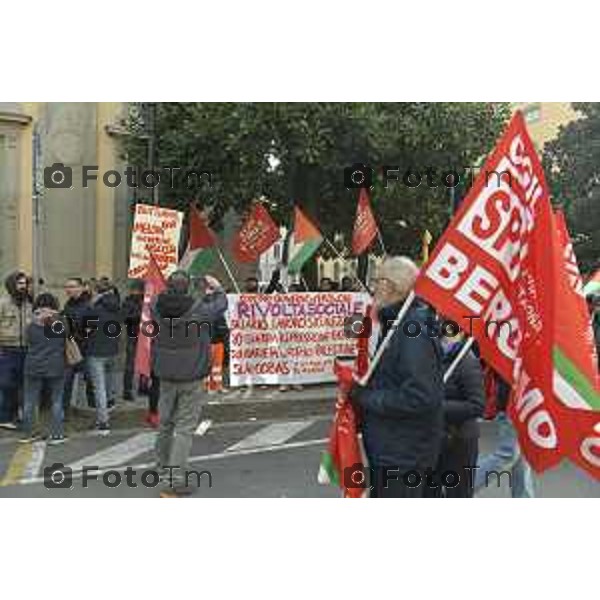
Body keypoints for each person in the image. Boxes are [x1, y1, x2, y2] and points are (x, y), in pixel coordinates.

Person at [349, 256, 444, 498]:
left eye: (377, 280)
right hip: (393, 449)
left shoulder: (412, 329)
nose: (374, 287)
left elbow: (420, 396)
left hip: (403, 455)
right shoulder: (398, 323)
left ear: (393, 286)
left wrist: (366, 398)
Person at [152, 271, 227, 497]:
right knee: (184, 428)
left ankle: (162, 468)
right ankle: (175, 480)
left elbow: (157, 299)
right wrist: (218, 288)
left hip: (166, 375)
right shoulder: (198, 310)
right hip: (192, 376)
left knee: (165, 423)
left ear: (168, 287)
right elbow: (220, 304)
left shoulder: (156, 307)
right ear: (188, 288)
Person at [429, 331, 485, 497]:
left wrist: (438, 407)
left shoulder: (467, 361)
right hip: (433, 439)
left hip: (460, 441)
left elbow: (477, 405)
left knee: (459, 495)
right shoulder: (430, 356)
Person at [474, 368, 535, 498]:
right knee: (509, 453)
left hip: (518, 402)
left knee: (523, 455)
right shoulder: (522, 350)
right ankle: (461, 488)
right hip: (514, 404)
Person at [20, 293, 69, 444]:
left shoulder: (31, 323)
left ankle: (29, 434)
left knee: (30, 401)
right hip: (56, 365)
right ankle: (57, 435)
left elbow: (27, 340)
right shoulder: (61, 321)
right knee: (56, 400)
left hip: (33, 366)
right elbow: (67, 337)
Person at [84, 278, 121, 435]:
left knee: (99, 387)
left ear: (97, 292)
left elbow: (86, 328)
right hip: (112, 349)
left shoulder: (94, 309)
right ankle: (108, 410)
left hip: (96, 350)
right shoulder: (118, 306)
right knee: (108, 384)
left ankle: (102, 421)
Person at [0, 271, 33, 429]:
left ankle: (20, 414)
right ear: (12, 285)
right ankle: (5, 417)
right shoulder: (3, 303)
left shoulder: (29, 304)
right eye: (20, 283)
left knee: (23, 384)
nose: (23, 286)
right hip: (7, 349)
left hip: (26, 349)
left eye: (25, 283)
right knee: (7, 384)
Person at [62, 277, 92, 411]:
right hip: (71, 348)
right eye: (67, 287)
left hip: (84, 348)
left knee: (89, 380)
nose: (69, 289)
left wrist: (77, 334)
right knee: (67, 380)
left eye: (73, 286)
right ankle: (65, 408)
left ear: (81, 288)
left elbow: (91, 329)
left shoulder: (88, 306)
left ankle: (91, 408)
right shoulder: (68, 304)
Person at [122, 279, 145, 401]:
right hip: (133, 334)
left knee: (146, 361)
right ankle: (127, 390)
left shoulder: (146, 300)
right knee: (130, 364)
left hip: (145, 334)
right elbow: (125, 318)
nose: (135, 292)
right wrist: (140, 313)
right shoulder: (128, 301)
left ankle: (143, 386)